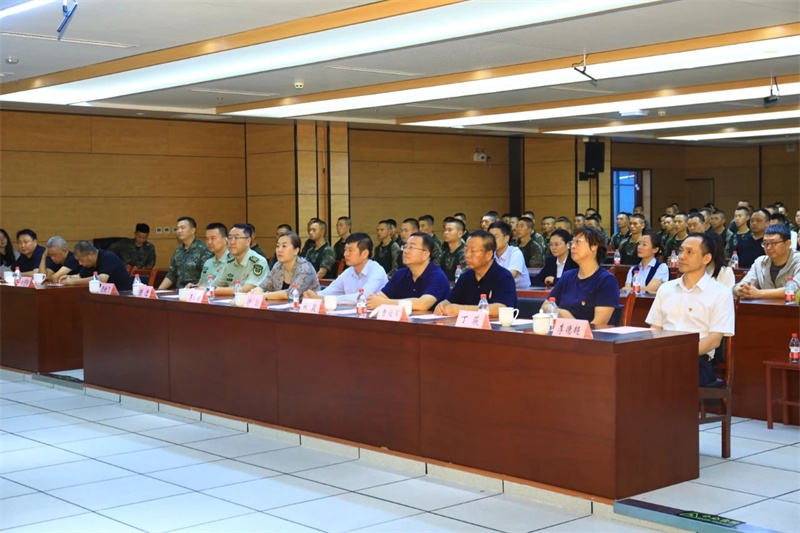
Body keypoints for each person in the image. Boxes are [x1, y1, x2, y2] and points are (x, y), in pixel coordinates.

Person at [646, 233, 735, 387]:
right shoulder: (666, 288)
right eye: (681, 251)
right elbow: (655, 328)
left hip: (697, 358)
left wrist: (680, 353)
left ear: (706, 258)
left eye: (689, 252)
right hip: (664, 355)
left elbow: (714, 340)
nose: (681, 256)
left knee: (672, 377)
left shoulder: (720, 293)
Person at [434, 230, 517, 318]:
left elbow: (501, 308)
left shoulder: (504, 277)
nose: (467, 255)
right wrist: (441, 306)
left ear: (489, 254)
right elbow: (450, 301)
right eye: (466, 250)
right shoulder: (465, 277)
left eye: (473, 251)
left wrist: (461, 310)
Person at [549, 225, 620, 325]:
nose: (573, 246)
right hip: (564, 332)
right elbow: (546, 306)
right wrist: (559, 312)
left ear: (594, 246)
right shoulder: (567, 276)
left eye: (578, 242)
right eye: (572, 243)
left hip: (593, 334)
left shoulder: (606, 280)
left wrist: (569, 319)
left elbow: (598, 324)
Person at [367, 232, 450, 312]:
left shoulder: (437, 276)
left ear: (425, 254)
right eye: (405, 246)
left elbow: (422, 304)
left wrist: (384, 303)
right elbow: (379, 297)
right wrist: (376, 300)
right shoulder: (400, 274)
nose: (405, 251)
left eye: (411, 248)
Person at [304, 233, 388, 305]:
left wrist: (325, 299)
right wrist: (313, 295)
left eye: (350, 250)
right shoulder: (348, 272)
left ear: (364, 254)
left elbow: (362, 297)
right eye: (345, 250)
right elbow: (329, 291)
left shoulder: (377, 271)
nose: (345, 254)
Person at [733, 224, 800, 300]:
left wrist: (758, 293)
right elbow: (742, 284)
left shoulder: (797, 260)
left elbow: (796, 289)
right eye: (765, 243)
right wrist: (741, 290)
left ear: (788, 244)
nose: (768, 247)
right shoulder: (760, 262)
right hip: (764, 307)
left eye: (773, 243)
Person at [254, 232, 319, 299]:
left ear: (296, 250)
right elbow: (264, 286)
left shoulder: (305, 268)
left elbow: (291, 293)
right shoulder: (278, 265)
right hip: (281, 305)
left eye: (284, 246)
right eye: (277, 246)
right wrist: (257, 291)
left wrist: (264, 295)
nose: (279, 250)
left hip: (306, 305)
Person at [210, 223, 270, 295]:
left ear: (248, 241)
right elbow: (215, 284)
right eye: (229, 238)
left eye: (236, 238)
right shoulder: (230, 261)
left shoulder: (259, 262)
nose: (232, 242)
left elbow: (247, 289)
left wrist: (214, 290)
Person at [158, 216, 213, 290]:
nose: (179, 231)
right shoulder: (178, 251)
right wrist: (158, 291)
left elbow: (208, 276)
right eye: (177, 228)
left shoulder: (203, 250)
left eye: (182, 228)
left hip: (195, 292)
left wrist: (196, 287)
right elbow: (171, 274)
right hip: (179, 292)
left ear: (193, 230)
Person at [60, 241, 132, 291]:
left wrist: (73, 282)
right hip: (105, 296)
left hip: (122, 295)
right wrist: (68, 277)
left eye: (81, 260)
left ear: (90, 255)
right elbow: (80, 276)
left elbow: (101, 279)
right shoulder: (90, 263)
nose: (80, 263)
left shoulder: (108, 257)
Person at [489, 221, 529, 290]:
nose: (491, 241)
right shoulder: (490, 254)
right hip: (499, 291)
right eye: (490, 237)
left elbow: (509, 276)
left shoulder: (515, 252)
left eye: (495, 237)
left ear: (506, 238)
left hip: (520, 293)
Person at [192, 222, 229, 288]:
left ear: (225, 239)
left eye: (213, 238)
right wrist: (193, 286)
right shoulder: (208, 262)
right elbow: (201, 284)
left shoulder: (233, 261)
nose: (209, 242)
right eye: (207, 239)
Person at [440, 217, 467, 281]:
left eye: (449, 230)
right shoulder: (444, 252)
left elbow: (465, 277)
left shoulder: (465, 253)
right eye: (445, 230)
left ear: (460, 233)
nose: (446, 233)